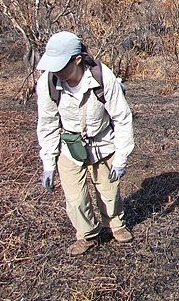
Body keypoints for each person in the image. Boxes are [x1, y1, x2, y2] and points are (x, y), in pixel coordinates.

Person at [35, 31, 135, 256]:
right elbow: (47, 123)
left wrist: (121, 158)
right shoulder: (48, 83)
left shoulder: (102, 77)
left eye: (61, 66)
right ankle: (87, 235)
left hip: (103, 143)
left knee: (109, 191)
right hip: (69, 147)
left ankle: (115, 225)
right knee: (76, 198)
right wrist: (48, 163)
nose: (56, 71)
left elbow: (122, 118)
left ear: (77, 59)